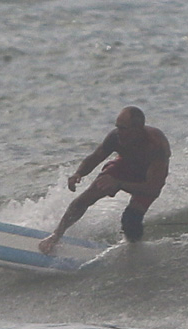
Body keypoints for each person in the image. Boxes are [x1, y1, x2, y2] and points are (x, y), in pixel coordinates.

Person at [39, 106, 170, 255]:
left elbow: (152, 188)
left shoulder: (156, 145)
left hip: (148, 178)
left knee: (130, 221)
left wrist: (119, 184)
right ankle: (56, 236)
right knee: (84, 199)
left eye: (123, 128)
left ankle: (134, 251)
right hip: (124, 166)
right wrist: (79, 173)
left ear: (138, 129)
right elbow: (96, 157)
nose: (119, 132)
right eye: (117, 127)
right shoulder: (116, 137)